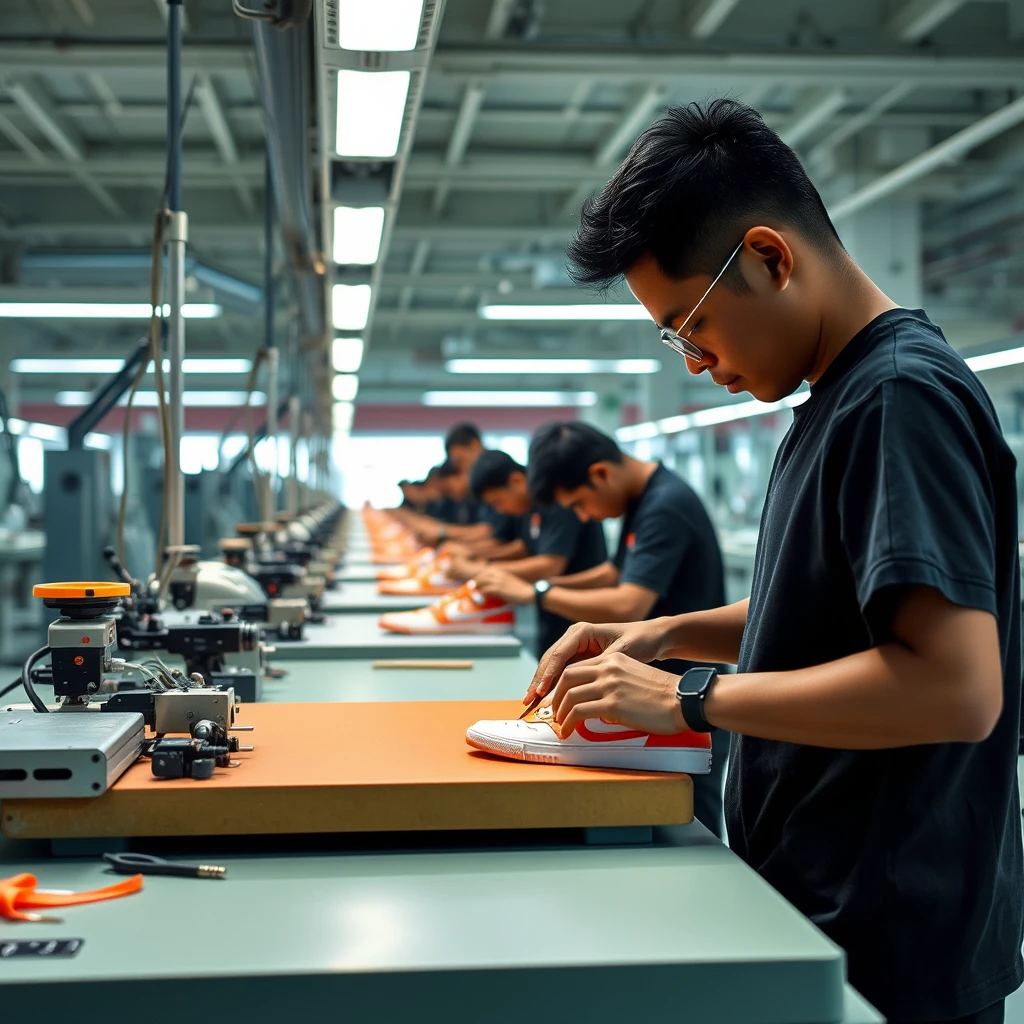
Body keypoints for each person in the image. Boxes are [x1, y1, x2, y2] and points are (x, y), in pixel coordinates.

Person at [527, 98, 1022, 1024]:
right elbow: (828, 610)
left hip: (889, 940)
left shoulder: (899, 398)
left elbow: (956, 688)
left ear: (768, 256)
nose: (692, 361)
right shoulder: (837, 401)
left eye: (690, 324)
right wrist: (663, 631)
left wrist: (688, 695)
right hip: (828, 905)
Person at [475, 423, 729, 838]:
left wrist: (536, 594)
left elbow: (630, 603)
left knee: (689, 826)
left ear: (600, 474)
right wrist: (539, 587)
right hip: (661, 691)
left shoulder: (666, 505)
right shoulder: (646, 498)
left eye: (579, 503)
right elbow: (614, 573)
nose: (583, 516)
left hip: (686, 694)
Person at [462, 449, 607, 657]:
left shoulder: (556, 500)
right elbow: (524, 547)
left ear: (516, 481)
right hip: (552, 606)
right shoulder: (528, 505)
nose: (500, 510)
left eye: (497, 501)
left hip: (583, 610)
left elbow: (551, 563)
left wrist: (483, 569)